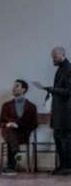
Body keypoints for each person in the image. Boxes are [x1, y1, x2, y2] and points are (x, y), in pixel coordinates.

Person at [34, 47, 71, 175]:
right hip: (59, 112)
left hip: (66, 113)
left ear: (62, 55)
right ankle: (62, 166)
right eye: (52, 57)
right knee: (58, 138)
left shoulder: (68, 69)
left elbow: (69, 92)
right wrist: (49, 94)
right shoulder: (61, 69)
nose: (53, 60)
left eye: (54, 57)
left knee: (66, 140)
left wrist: (51, 89)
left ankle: (67, 167)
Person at [0, 79, 37, 174]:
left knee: (12, 136)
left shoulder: (31, 106)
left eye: (17, 86)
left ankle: (11, 167)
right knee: (10, 130)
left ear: (23, 89)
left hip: (23, 134)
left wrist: (18, 125)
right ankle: (16, 153)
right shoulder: (6, 105)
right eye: (13, 86)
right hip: (8, 132)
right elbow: (0, 122)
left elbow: (34, 124)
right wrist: (8, 124)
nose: (13, 88)